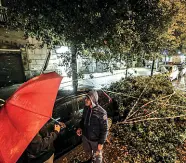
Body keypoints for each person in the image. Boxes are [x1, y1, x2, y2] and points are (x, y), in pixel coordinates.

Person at [76, 90, 108, 163]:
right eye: (85, 98)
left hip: (95, 140)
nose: (85, 100)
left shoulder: (101, 112)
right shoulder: (86, 108)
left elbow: (105, 129)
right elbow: (83, 119)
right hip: (85, 137)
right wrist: (80, 128)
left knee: (98, 156)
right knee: (89, 152)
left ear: (93, 99)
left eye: (88, 98)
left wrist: (101, 142)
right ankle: (91, 158)